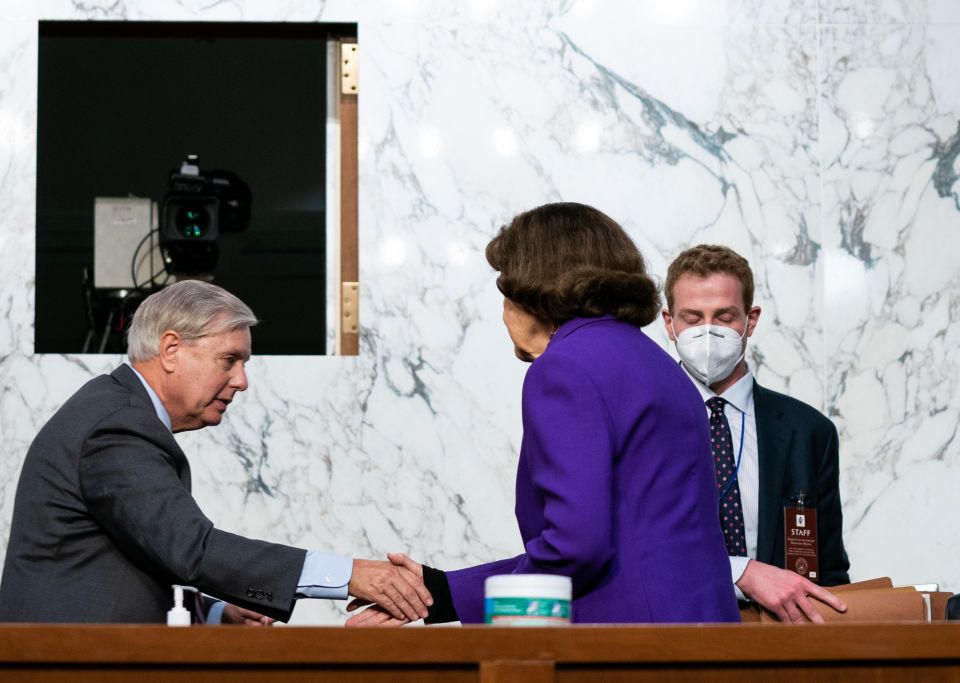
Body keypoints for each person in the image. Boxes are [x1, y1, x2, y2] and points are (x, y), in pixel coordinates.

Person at [349, 203, 739, 626]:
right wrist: (441, 593)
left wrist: (441, 601)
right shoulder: (656, 362)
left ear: (531, 289)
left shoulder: (565, 366)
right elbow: (639, 536)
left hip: (625, 647)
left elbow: (578, 545)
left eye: (504, 290)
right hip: (700, 636)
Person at [0, 280, 432, 624]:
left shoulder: (117, 410)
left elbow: (141, 555)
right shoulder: (116, 425)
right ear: (171, 350)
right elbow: (190, 549)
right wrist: (350, 574)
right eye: (229, 360)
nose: (242, 381)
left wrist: (216, 612)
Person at [661, 244, 850, 623]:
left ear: (751, 319)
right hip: (673, 636)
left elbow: (830, 573)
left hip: (783, 644)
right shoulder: (643, 423)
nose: (708, 332)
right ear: (669, 323)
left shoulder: (809, 431)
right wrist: (740, 573)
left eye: (724, 316)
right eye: (693, 318)